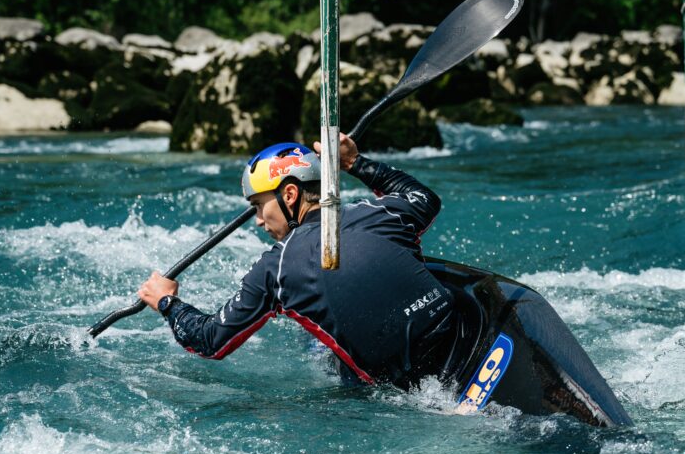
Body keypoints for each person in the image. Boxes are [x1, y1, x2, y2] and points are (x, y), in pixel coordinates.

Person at [137, 134, 458, 388]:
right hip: (454, 336)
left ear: (289, 195)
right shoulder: (378, 212)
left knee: (323, 349)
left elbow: (209, 340)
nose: (259, 221)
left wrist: (167, 302)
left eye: (259, 206)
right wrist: (355, 162)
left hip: (399, 387)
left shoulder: (274, 269)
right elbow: (423, 198)